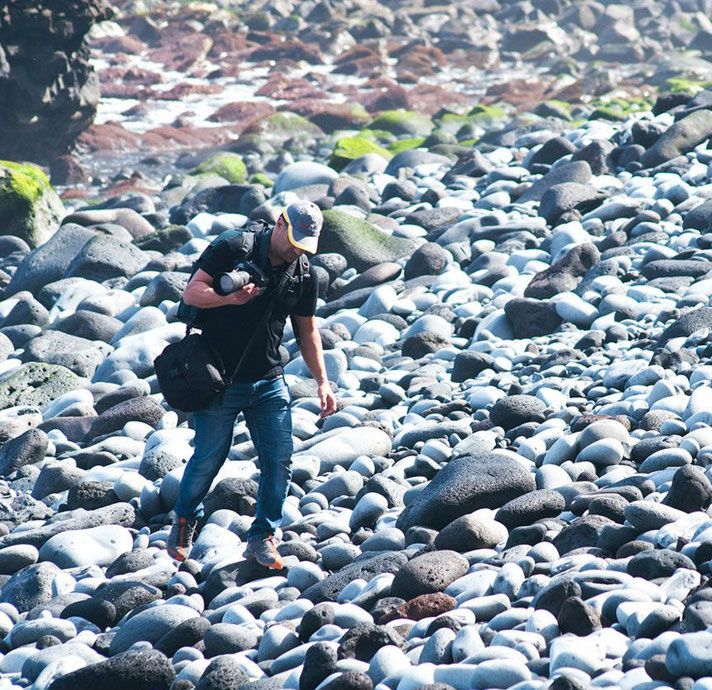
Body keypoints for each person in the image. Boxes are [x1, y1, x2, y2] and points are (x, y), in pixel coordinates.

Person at [166, 201, 337, 568]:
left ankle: (263, 537)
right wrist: (226, 297)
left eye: (306, 244)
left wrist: (322, 381)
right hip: (219, 379)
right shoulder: (233, 247)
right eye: (294, 240)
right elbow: (191, 293)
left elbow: (307, 330)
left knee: (279, 462)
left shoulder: (305, 273)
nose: (297, 250)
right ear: (279, 224)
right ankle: (185, 517)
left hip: (269, 380)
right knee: (209, 457)